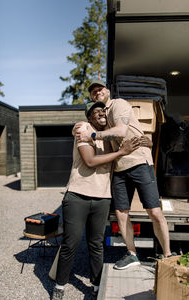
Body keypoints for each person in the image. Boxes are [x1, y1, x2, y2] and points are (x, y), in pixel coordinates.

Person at [75, 79, 172, 270]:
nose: (96, 93)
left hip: (138, 163)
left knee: (154, 211)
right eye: (93, 92)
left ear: (108, 91)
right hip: (119, 168)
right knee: (121, 212)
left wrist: (92, 136)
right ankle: (132, 254)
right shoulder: (102, 116)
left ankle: (168, 255)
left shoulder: (118, 104)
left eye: (99, 89)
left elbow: (120, 130)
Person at [52, 101, 140, 300]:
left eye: (103, 110)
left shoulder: (110, 134)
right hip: (78, 195)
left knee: (96, 244)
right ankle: (60, 285)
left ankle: (96, 284)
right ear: (89, 117)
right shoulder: (83, 128)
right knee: (71, 242)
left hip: (102, 198)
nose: (100, 113)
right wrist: (120, 152)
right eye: (95, 111)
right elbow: (90, 162)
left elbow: (131, 134)